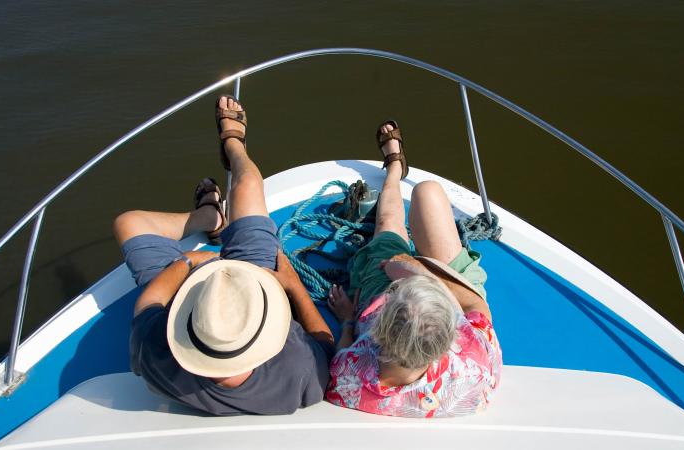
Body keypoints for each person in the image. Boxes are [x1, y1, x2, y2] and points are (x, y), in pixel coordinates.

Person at [113, 96, 334, 416]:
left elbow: (149, 302)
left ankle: (209, 218)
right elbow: (324, 341)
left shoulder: (156, 354)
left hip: (196, 287)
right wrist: (292, 283)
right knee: (246, 186)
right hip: (246, 287)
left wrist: (187, 262)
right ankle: (234, 144)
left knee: (128, 222)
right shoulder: (299, 369)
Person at [324, 121, 502, 418]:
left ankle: (393, 172)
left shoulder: (349, 379)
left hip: (405, 293)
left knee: (390, 227)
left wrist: (347, 321)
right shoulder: (474, 365)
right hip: (455, 292)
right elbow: (475, 303)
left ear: (377, 330)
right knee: (428, 192)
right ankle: (397, 171)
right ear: (452, 336)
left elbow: (345, 347)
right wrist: (423, 275)